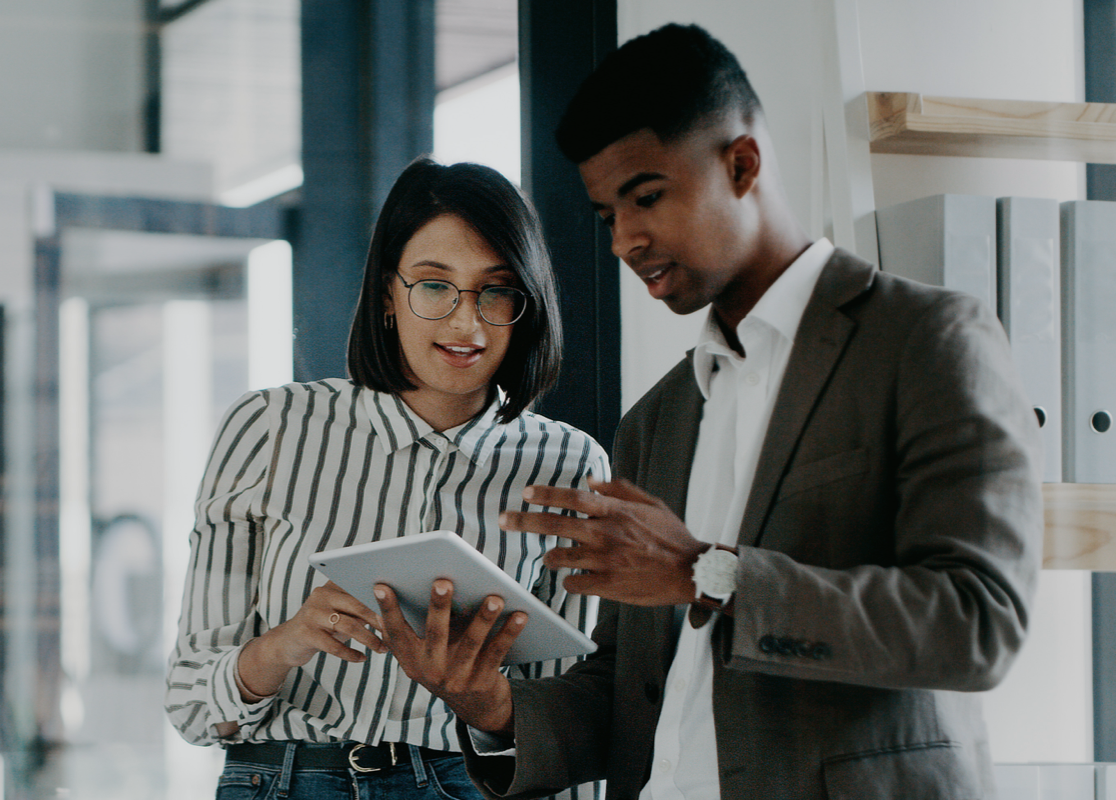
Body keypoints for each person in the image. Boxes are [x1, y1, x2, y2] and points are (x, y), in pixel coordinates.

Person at [375, 22, 1045, 800]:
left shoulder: (925, 340)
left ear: (743, 162)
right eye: (606, 216)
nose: (626, 239)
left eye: (647, 196)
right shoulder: (656, 419)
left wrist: (705, 572)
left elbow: (978, 624)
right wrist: (488, 705)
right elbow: (635, 693)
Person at [164, 158, 610, 799]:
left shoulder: (570, 466)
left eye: (497, 290)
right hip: (287, 778)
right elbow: (191, 705)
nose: (466, 322)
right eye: (434, 286)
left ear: (526, 303)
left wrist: (484, 698)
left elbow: (568, 736)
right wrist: (287, 642)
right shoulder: (269, 427)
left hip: (472, 784)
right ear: (387, 298)